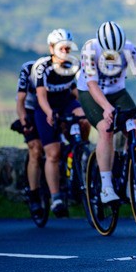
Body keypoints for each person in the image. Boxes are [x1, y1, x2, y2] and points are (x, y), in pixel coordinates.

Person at [76, 21, 136, 204]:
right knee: (106, 129)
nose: (113, 57)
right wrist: (107, 108)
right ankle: (106, 187)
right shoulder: (90, 49)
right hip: (91, 94)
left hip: (117, 92)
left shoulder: (129, 49)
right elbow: (92, 84)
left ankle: (128, 177)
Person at [33, 28, 90, 217]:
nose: (65, 51)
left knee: (84, 118)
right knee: (54, 153)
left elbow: (78, 91)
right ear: (52, 48)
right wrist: (49, 113)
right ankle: (56, 197)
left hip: (65, 102)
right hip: (46, 107)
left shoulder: (73, 65)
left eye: (68, 48)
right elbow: (41, 96)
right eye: (61, 48)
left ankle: (80, 148)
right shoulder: (43, 67)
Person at [14, 59, 44, 216]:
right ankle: (34, 196)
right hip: (30, 108)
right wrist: (24, 123)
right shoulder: (27, 70)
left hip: (48, 108)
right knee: (36, 149)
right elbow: (20, 101)